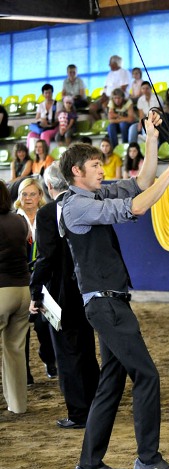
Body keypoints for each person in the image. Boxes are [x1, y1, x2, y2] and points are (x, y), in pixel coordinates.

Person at [60, 110, 169, 469]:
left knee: (111, 384)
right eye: (95, 165)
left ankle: (89, 465)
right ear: (76, 173)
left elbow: (140, 183)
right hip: (105, 304)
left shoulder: (94, 192)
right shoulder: (77, 205)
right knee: (147, 375)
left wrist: (152, 141)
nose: (102, 170)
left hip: (110, 302)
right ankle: (147, 459)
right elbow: (137, 206)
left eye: (101, 165)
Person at [29, 163, 99, 429]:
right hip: (87, 288)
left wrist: (35, 291)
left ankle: (79, 414)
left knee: (68, 354)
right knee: (86, 349)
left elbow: (46, 257)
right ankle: (95, 405)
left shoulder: (47, 213)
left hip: (60, 293)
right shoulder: (85, 204)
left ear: (49, 187)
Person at [14, 178, 57, 382]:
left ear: (40, 195)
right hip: (19, 281)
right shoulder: (13, 219)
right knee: (20, 329)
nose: (28, 198)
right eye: (24, 194)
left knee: (43, 326)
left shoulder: (47, 217)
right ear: (19, 197)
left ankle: (48, 359)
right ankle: (25, 373)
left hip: (44, 281)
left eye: (32, 194)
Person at [0, 179, 30, 415]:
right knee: (15, 350)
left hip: (2, 291)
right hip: (23, 291)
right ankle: (18, 405)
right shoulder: (20, 221)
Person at [88, 55, 131, 124]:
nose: (109, 65)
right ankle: (101, 123)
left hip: (117, 97)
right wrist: (103, 95)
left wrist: (111, 97)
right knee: (92, 107)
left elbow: (123, 88)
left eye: (110, 63)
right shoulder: (110, 74)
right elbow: (105, 87)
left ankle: (109, 124)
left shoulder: (124, 72)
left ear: (115, 63)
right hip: (107, 96)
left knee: (105, 105)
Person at [27, 83, 58, 151]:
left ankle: (45, 155)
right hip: (42, 127)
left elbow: (59, 118)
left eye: (49, 93)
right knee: (31, 135)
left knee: (44, 135)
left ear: (52, 93)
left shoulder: (57, 104)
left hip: (53, 127)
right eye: (46, 93)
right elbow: (37, 118)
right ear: (43, 94)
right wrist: (42, 120)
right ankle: (31, 155)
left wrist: (51, 124)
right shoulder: (40, 105)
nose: (48, 95)